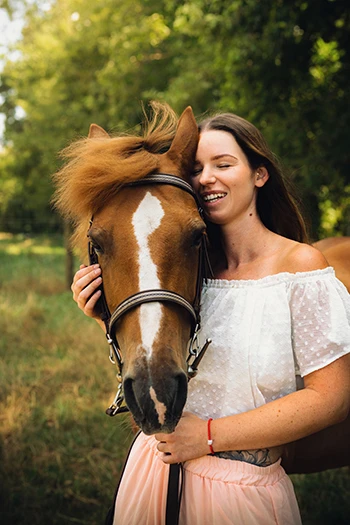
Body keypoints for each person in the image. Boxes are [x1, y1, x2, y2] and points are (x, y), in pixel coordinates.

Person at [71, 110, 350, 525]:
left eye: (224, 164)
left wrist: (204, 437)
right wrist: (102, 316)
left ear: (259, 174)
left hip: (240, 493)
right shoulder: (192, 269)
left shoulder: (300, 267)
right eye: (197, 168)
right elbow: (157, 361)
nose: (205, 179)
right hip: (152, 474)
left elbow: (332, 398)